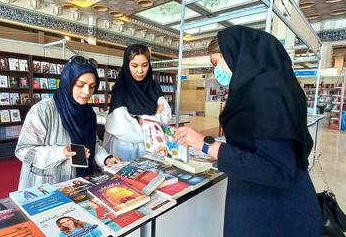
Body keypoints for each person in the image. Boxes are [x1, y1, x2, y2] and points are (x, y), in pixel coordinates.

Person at [174, 25, 322, 237]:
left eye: (216, 63)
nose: (216, 72)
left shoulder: (265, 96)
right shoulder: (270, 88)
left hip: (274, 213)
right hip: (264, 202)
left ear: (236, 55)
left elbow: (276, 170)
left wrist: (206, 145)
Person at [15, 56, 121, 190]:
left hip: (79, 183)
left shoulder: (89, 113)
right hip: (45, 187)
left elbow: (92, 144)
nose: (87, 92)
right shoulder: (43, 110)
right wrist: (62, 152)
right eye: (80, 85)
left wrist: (106, 159)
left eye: (92, 86)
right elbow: (23, 151)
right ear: (67, 81)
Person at [103, 44, 172, 160]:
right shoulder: (120, 89)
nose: (140, 71)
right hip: (125, 148)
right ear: (127, 65)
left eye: (144, 65)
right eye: (134, 66)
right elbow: (124, 128)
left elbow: (166, 117)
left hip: (152, 146)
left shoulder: (154, 87)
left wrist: (139, 120)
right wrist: (153, 116)